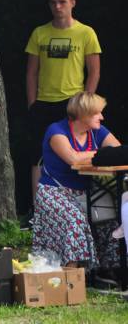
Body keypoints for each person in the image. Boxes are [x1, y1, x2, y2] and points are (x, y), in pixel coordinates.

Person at [26, 0, 101, 204]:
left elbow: (94, 72)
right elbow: (31, 72)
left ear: (73, 3)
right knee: (37, 156)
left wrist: (85, 105)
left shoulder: (86, 32)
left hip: (72, 102)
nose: (57, 7)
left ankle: (79, 204)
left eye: (62, 2)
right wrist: (32, 103)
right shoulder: (40, 32)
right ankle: (38, 209)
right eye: (53, 2)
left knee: (76, 152)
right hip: (44, 101)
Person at [32, 92, 120, 268]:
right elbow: (72, 159)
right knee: (75, 221)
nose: (102, 117)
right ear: (84, 114)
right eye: (97, 113)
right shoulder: (56, 131)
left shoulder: (97, 132)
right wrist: (101, 155)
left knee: (111, 218)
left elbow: (118, 152)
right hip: (54, 191)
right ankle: (73, 275)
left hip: (87, 191)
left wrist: (93, 156)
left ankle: (111, 269)